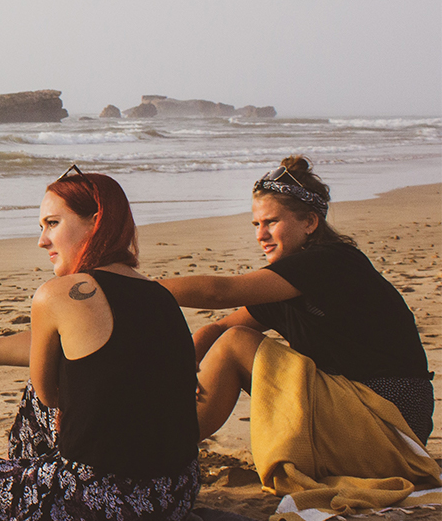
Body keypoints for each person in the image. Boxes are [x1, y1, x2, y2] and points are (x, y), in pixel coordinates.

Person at [0, 168, 200, 521]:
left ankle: (28, 487)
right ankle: (30, 479)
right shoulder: (159, 295)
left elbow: (46, 393)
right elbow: (91, 353)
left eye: (53, 224)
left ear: (96, 222)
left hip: (95, 512)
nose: (43, 240)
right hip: (173, 500)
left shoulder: (56, 294)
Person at [161, 156, 432, 445]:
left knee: (236, 344)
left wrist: (136, 288)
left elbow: (220, 293)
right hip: (357, 413)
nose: (260, 235)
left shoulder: (329, 263)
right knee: (230, 337)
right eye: (256, 224)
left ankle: (165, 449)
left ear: (310, 222)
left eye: (271, 222)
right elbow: (218, 328)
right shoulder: (288, 283)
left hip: (390, 417)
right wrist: (186, 363)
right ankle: (165, 441)